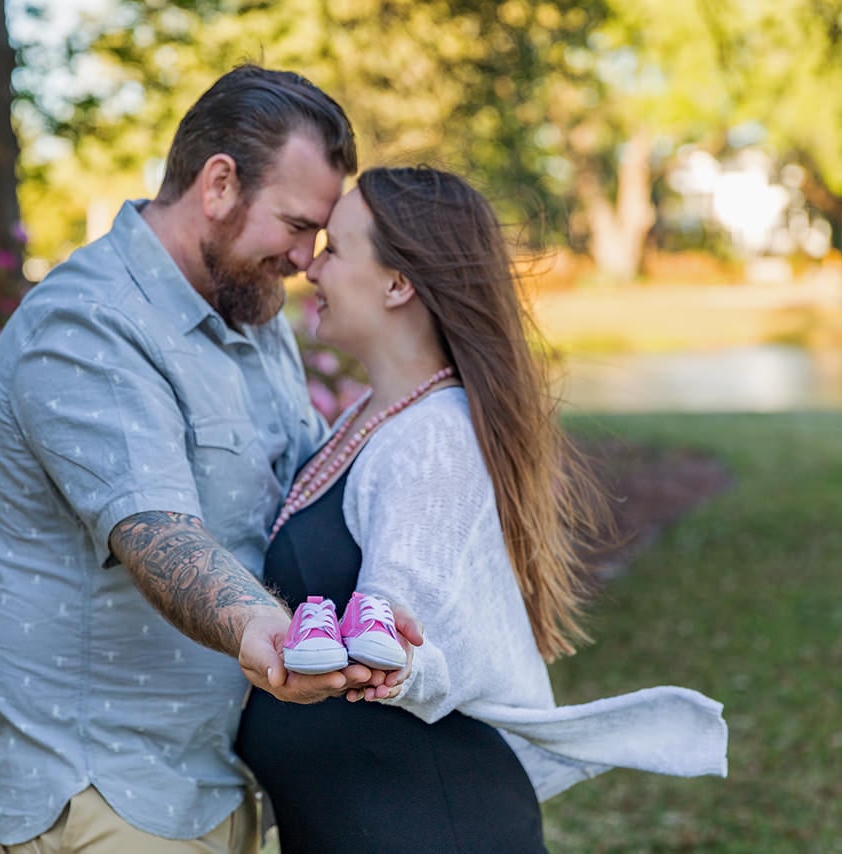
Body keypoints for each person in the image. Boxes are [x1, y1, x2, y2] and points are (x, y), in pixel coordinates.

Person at [0, 66, 418, 854]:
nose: (310, 257)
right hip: (107, 785)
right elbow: (158, 536)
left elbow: (301, 493)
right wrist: (269, 636)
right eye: (296, 224)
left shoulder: (248, 311)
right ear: (217, 185)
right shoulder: (88, 324)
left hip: (227, 775)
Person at [236, 167, 728, 853]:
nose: (310, 268)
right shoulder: (375, 420)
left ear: (397, 282)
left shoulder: (432, 437)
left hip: (428, 825)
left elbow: (406, 627)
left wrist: (392, 660)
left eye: (336, 249)